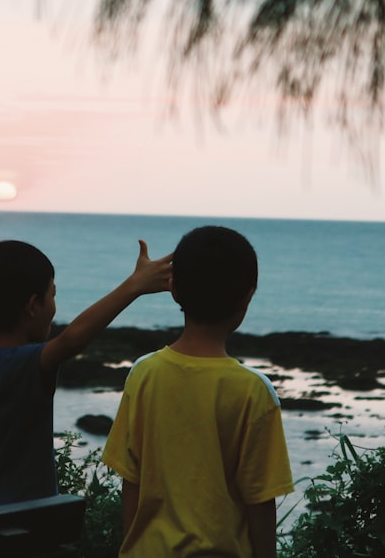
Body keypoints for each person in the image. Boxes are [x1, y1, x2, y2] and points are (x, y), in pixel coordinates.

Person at [0, 238, 172, 509]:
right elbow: (73, 339)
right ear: (33, 306)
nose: (54, 306)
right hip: (32, 529)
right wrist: (134, 286)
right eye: (53, 295)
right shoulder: (30, 363)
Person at [102, 226, 294, 558]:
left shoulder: (143, 374)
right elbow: (260, 503)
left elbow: (131, 484)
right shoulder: (253, 390)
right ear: (247, 296)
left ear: (173, 289)